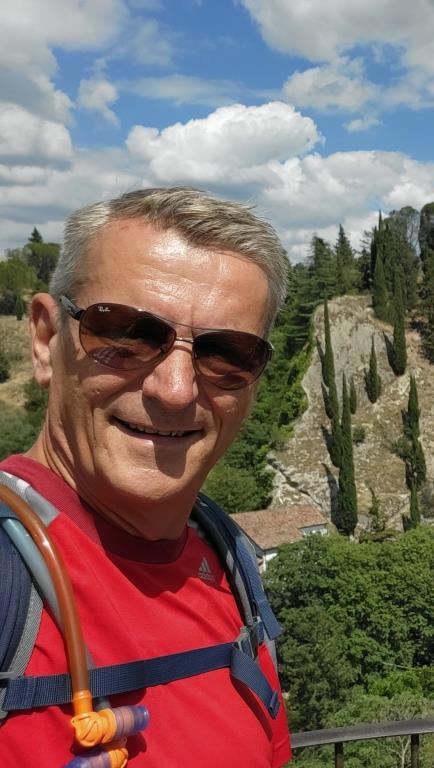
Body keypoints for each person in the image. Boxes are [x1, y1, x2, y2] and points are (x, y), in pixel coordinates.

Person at [0, 188, 292, 766]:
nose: (176, 390)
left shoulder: (233, 565)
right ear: (46, 339)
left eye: (227, 354)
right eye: (127, 335)